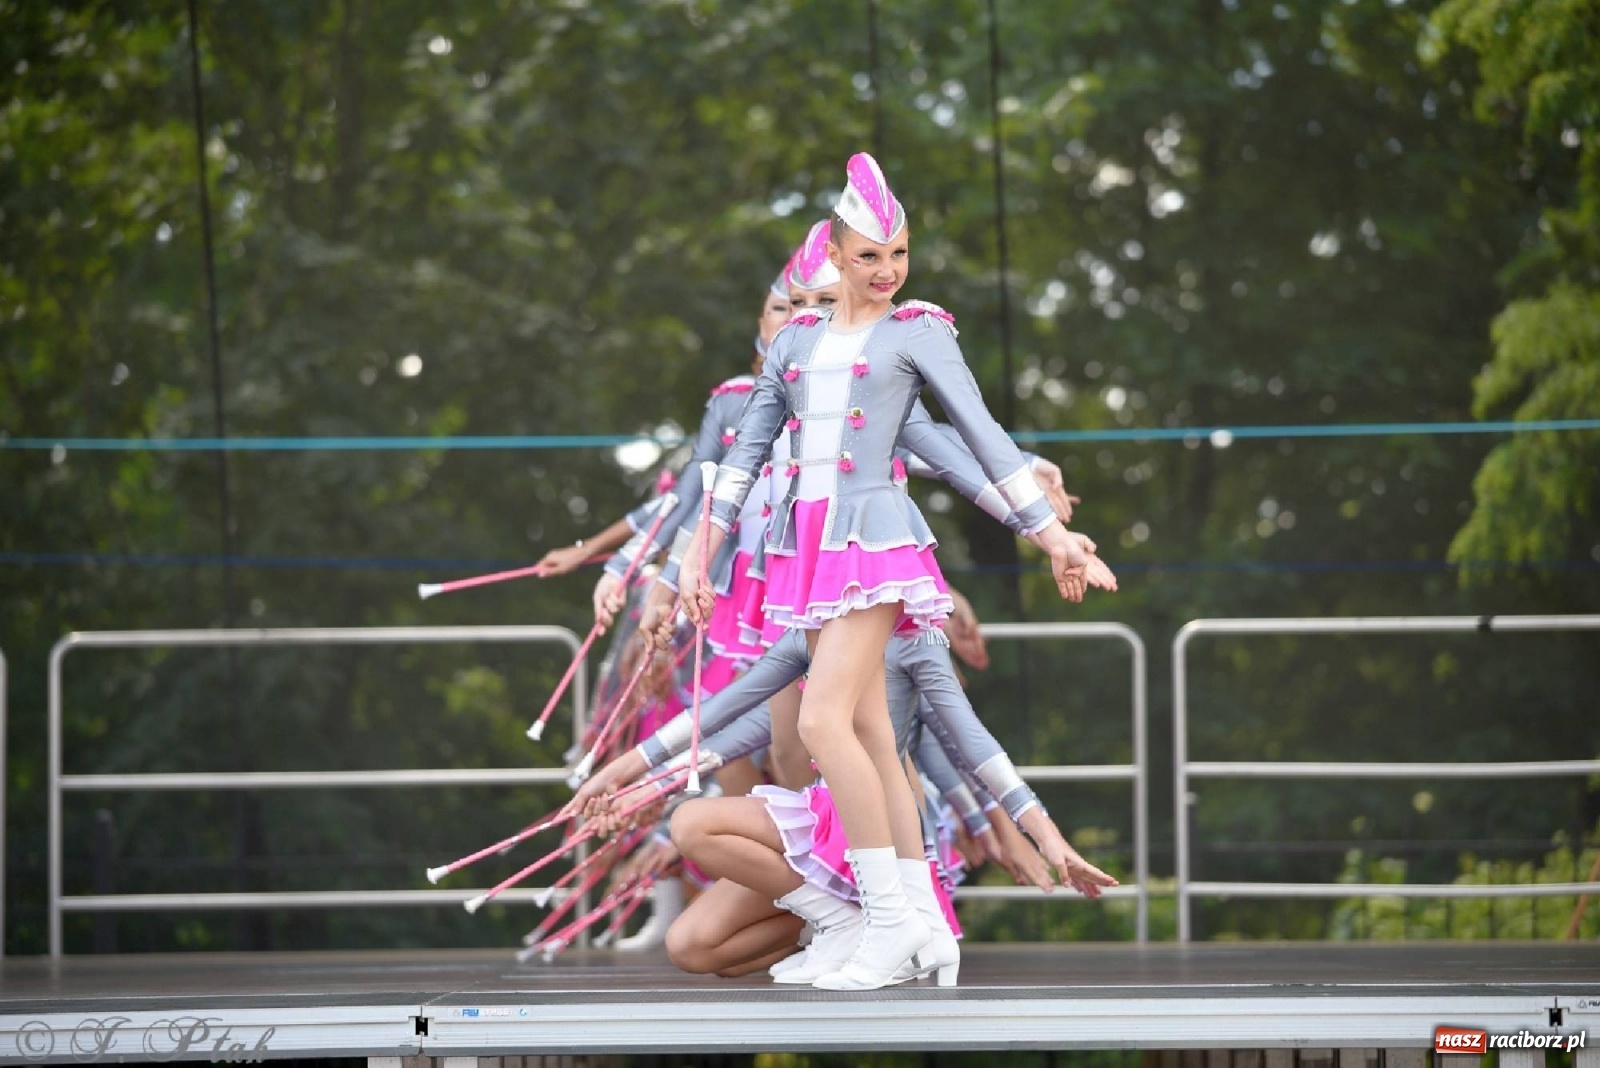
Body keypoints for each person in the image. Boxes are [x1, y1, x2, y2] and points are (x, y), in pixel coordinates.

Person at [677, 152, 1111, 990]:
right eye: (871, 255)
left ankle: (886, 922)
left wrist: (1050, 534)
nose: (888, 270)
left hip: (873, 543)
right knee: (871, 731)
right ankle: (920, 926)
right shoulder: (796, 342)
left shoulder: (918, 332)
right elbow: (745, 454)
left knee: (820, 724)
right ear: (836, 253)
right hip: (807, 552)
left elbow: (977, 434)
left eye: (900, 253)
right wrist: (702, 549)